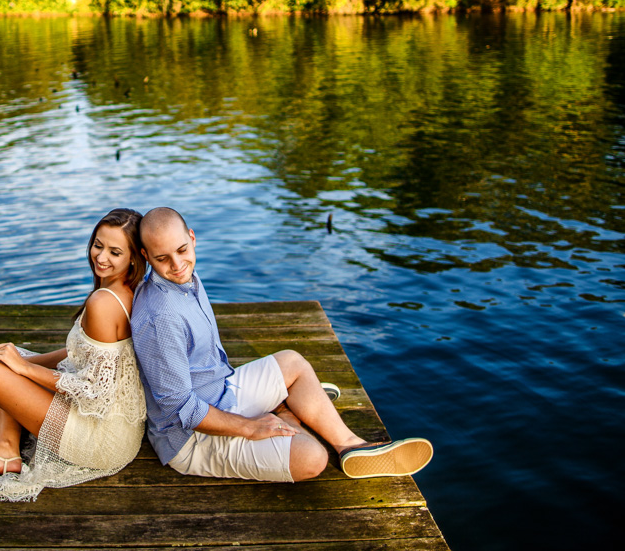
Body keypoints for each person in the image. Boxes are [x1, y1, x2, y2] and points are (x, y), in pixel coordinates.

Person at [131, 206, 433, 483]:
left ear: (192, 238)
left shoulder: (185, 279)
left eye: (182, 250)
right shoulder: (161, 316)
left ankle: (352, 445)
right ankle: (288, 411)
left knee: (292, 362)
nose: (177, 264)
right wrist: (249, 427)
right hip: (190, 439)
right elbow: (181, 408)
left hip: (220, 390)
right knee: (313, 458)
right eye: (162, 259)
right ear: (147, 256)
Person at [0, 208, 148, 501]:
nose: (101, 257)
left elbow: (95, 392)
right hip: (120, 428)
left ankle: (6, 451)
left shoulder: (103, 302)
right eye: (98, 245)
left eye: (114, 252)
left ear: (133, 257)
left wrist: (24, 370)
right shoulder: (129, 289)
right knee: (6, 357)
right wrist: (24, 361)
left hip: (101, 438)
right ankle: (6, 450)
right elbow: (79, 354)